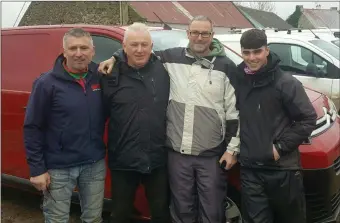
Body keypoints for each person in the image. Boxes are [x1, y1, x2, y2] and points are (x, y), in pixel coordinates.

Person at [99, 16, 240, 223]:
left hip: (203, 152)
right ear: (187, 34)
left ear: (212, 35)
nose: (199, 37)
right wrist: (115, 57)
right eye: (194, 32)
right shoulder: (166, 60)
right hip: (157, 154)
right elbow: (137, 52)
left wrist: (231, 148)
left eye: (205, 33)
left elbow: (235, 111)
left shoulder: (222, 66)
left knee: (208, 209)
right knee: (176, 209)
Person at [23, 28, 106, 223]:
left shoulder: (100, 77)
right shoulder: (46, 83)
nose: (79, 53)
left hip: (94, 164)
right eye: (73, 48)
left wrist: (116, 57)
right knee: (57, 219)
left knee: (93, 218)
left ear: (93, 51)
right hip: (58, 167)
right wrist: (37, 169)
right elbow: (32, 127)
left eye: (84, 48)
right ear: (64, 51)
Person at [236, 29, 317, 223]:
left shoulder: (285, 83)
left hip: (282, 170)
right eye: (246, 52)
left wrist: (279, 148)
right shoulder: (238, 79)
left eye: (257, 52)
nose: (252, 57)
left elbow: (307, 118)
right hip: (250, 170)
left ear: (267, 51)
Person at [100, 22, 171, 223]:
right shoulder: (110, 74)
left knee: (160, 213)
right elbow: (100, 114)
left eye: (144, 44)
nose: (139, 50)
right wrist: (114, 58)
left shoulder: (164, 70)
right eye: (133, 45)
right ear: (124, 47)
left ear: (151, 46)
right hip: (123, 159)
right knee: (120, 214)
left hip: (157, 158)